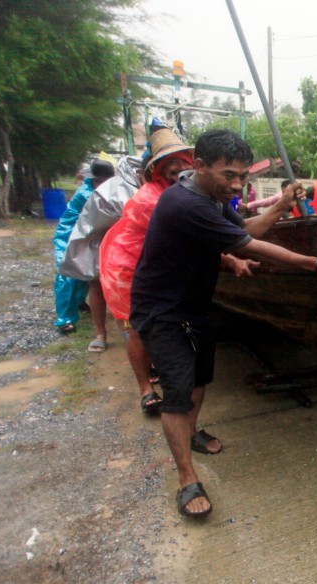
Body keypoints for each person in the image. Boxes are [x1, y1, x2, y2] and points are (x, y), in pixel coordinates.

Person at [130, 128, 317, 518]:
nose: (237, 184)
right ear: (199, 167)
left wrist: (280, 206)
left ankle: (192, 432)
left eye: (243, 176)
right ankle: (186, 478)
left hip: (195, 303)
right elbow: (249, 245)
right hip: (161, 310)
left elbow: (243, 231)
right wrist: (313, 263)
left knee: (200, 378)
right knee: (177, 391)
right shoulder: (185, 203)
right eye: (229, 175)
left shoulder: (214, 199)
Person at [98, 127, 198, 414]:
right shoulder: (151, 199)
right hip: (128, 269)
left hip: (158, 267)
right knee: (138, 329)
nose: (179, 167)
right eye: (171, 163)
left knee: (162, 324)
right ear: (158, 170)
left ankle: (159, 370)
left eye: (183, 161)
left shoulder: (184, 190)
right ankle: (146, 389)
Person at [60, 155, 143, 352]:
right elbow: (86, 224)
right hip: (99, 242)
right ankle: (101, 333)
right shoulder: (92, 193)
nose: (99, 183)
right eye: (97, 180)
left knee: (127, 292)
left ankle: (134, 339)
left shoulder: (132, 187)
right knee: (96, 284)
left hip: (124, 245)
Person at [53, 158, 115, 336]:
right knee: (69, 274)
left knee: (87, 274)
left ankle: (79, 302)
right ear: (95, 180)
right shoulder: (88, 194)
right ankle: (65, 320)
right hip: (70, 236)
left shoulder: (105, 190)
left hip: (88, 235)